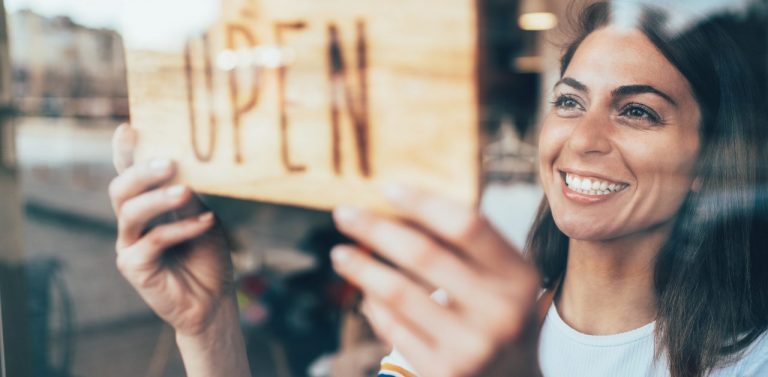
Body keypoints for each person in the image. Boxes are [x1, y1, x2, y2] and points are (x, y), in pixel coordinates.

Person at [108, 1, 768, 376]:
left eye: (637, 110)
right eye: (570, 102)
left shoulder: (747, 362)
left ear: (710, 156)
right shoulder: (460, 316)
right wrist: (209, 324)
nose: (584, 139)